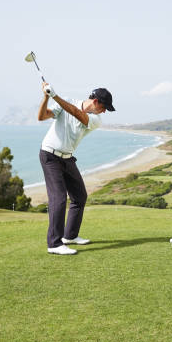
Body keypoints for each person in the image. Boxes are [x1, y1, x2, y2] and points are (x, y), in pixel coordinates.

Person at [38, 81, 115, 255]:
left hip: (67, 158)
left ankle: (69, 236)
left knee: (79, 196)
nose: (104, 112)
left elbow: (75, 112)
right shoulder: (67, 101)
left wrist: (55, 96)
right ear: (95, 102)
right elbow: (41, 116)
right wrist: (45, 97)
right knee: (58, 198)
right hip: (50, 156)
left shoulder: (96, 119)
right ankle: (54, 244)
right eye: (104, 107)